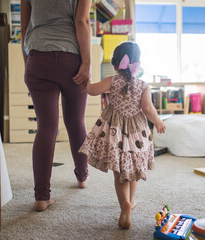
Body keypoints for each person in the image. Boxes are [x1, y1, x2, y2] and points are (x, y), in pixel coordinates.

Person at [78, 42, 166, 229]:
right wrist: (158, 121)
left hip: (115, 132)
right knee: (133, 169)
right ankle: (131, 201)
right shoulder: (143, 85)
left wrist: (85, 80)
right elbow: (147, 108)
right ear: (138, 64)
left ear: (116, 64)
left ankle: (124, 204)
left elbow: (92, 90)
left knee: (120, 174)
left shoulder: (111, 80)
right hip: (136, 135)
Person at [20, 0, 91, 211]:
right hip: (71, 57)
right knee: (76, 121)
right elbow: (82, 20)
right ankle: (82, 177)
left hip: (37, 56)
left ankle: (41, 197)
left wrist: (28, 64)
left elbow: (24, 27)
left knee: (46, 127)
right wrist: (86, 62)